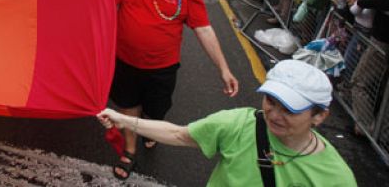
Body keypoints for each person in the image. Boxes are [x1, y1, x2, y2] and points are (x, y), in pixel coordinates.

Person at [108, 0, 239, 180]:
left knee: (156, 111)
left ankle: (150, 127)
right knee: (128, 107)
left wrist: (224, 68)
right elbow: (104, 7)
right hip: (126, 61)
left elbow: (203, 29)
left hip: (162, 68)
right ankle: (130, 150)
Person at [97, 60, 357, 186]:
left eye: (290, 108)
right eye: (271, 100)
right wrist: (123, 120)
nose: (274, 115)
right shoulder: (239, 123)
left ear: (320, 116)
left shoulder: (336, 179)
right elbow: (180, 135)